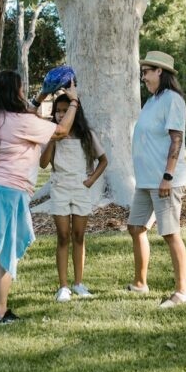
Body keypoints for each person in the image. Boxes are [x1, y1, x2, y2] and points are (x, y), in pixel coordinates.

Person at [0, 70, 79, 324]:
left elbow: (27, 114)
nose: (24, 93)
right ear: (13, 93)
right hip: (9, 193)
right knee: (7, 251)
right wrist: (74, 101)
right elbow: (61, 130)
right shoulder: (20, 121)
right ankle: (0, 313)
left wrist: (43, 95)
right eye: (21, 89)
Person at [127, 51, 186, 308]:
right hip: (146, 181)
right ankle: (140, 283)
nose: (143, 76)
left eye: (146, 71)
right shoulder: (152, 101)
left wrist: (167, 176)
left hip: (165, 180)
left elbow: (177, 139)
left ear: (160, 72)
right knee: (136, 227)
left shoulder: (172, 100)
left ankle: (183, 291)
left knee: (170, 233)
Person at [40, 94, 108, 303]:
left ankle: (78, 283)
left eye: (64, 110)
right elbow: (43, 163)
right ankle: (63, 286)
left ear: (74, 112)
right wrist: (52, 138)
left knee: (78, 235)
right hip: (60, 186)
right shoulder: (52, 134)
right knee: (63, 236)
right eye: (57, 112)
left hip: (81, 187)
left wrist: (90, 181)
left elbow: (103, 160)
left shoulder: (86, 135)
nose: (60, 115)